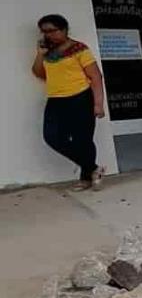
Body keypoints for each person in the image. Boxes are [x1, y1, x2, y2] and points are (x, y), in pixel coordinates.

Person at [31, 14, 106, 190]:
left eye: (52, 30)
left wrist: (98, 104)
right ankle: (94, 168)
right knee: (52, 137)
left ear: (64, 29)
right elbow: (39, 73)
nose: (48, 35)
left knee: (83, 139)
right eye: (44, 32)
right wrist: (40, 54)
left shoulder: (79, 49)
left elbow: (95, 76)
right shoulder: (48, 52)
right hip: (56, 100)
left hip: (80, 98)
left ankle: (86, 178)